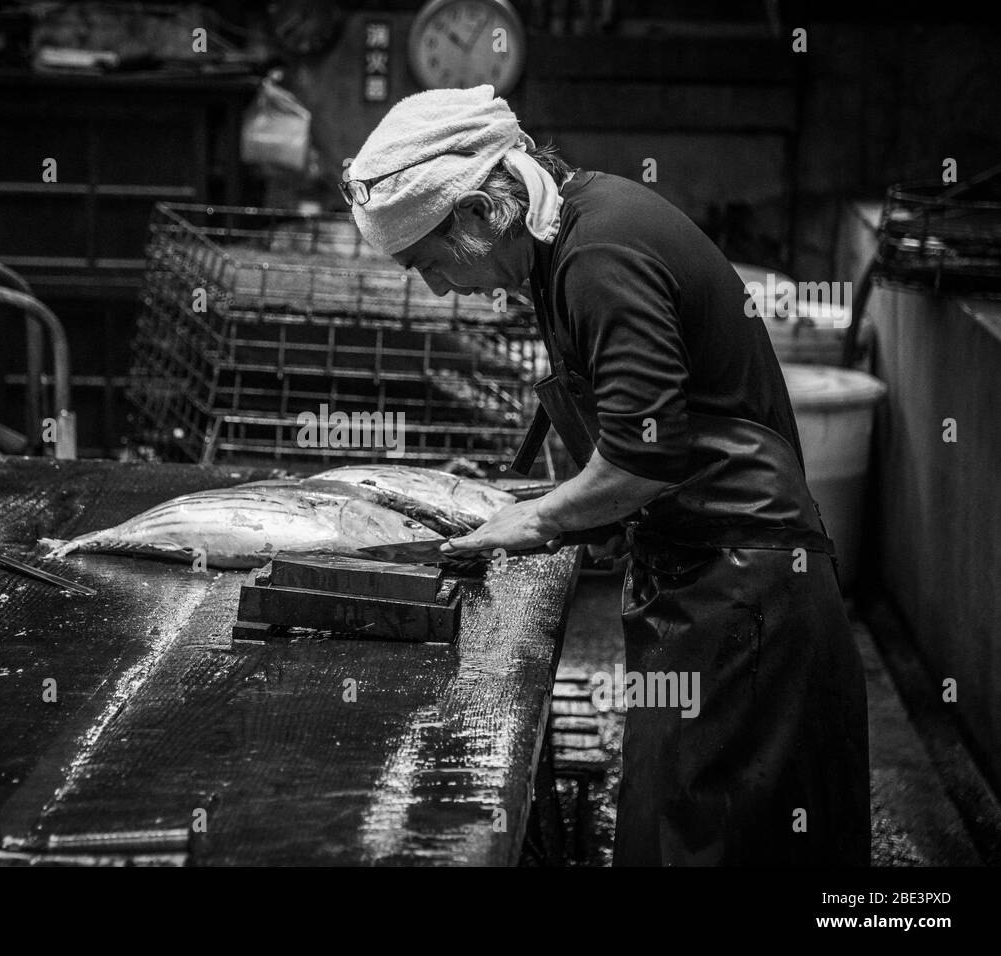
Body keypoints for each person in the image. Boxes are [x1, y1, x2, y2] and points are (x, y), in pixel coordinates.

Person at [342, 85, 870, 866]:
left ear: (483, 213)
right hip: (703, 582)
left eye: (429, 262)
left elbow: (645, 455)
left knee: (715, 841)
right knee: (678, 828)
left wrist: (540, 519)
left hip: (746, 598)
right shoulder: (569, 246)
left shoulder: (599, 254)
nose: (439, 287)